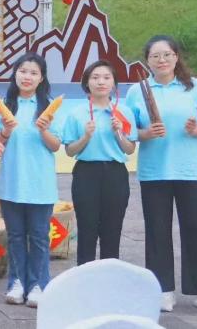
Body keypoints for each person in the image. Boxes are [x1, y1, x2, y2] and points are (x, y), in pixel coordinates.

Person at [126, 35, 197, 315]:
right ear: (147, 61)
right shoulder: (137, 91)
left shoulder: (196, 87)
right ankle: (162, 290)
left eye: (167, 54)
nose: (161, 60)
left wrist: (195, 130)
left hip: (189, 171)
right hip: (154, 172)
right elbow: (129, 131)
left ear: (176, 57)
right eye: (155, 56)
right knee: (157, 231)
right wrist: (145, 133)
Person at [0, 52, 62, 308]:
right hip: (11, 183)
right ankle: (17, 283)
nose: (27, 77)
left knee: (40, 237)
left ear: (41, 78)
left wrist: (43, 129)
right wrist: (5, 130)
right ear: (15, 74)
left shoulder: (49, 107)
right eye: (23, 71)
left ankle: (38, 285)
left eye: (33, 72)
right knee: (16, 237)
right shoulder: (5, 105)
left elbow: (56, 145)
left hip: (40, 185)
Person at [62, 60, 136, 265]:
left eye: (106, 77)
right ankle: (85, 276)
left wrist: (119, 132)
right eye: (95, 77)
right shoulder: (77, 113)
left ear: (114, 83)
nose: (101, 82)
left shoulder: (123, 112)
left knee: (112, 229)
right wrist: (86, 136)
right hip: (86, 173)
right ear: (87, 82)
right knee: (87, 229)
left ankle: (109, 275)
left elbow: (130, 149)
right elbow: (69, 151)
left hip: (115, 173)